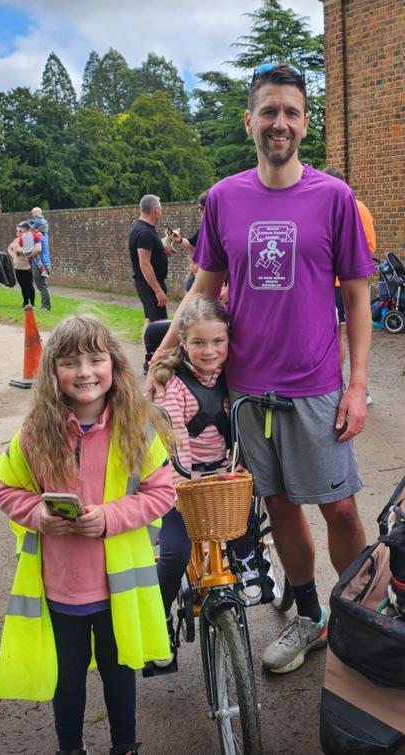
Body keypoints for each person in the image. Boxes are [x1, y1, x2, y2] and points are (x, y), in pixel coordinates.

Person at [147, 62, 375, 676]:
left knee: (343, 509)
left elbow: (357, 297)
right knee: (277, 506)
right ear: (250, 121)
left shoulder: (334, 198)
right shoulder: (224, 198)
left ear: (305, 124)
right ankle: (309, 616)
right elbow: (203, 289)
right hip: (248, 389)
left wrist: (357, 386)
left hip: (318, 387)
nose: (280, 123)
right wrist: (164, 357)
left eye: (291, 112)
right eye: (268, 111)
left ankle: (357, 614)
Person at [0, 315, 176, 755]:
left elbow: (163, 492)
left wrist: (111, 517)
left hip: (118, 591)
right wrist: (37, 513)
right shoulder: (35, 433)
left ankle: (125, 746)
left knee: (119, 673)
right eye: (71, 362)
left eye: (96, 359)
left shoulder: (139, 429)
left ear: (113, 365)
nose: (85, 372)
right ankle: (69, 747)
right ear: (53, 372)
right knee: (67, 679)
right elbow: (7, 489)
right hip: (61, 588)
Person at [145, 296, 261, 675]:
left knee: (247, 522)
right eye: (198, 343)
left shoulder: (235, 376)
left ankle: (250, 564)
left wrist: (237, 467)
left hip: (223, 476)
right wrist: (186, 483)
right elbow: (175, 438)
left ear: (229, 341)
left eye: (218, 342)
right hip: (181, 480)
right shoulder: (173, 386)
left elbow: (245, 428)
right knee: (175, 553)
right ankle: (157, 623)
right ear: (182, 342)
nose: (209, 351)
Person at [323, 166, 377, 406]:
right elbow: (370, 245)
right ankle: (360, 387)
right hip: (354, 279)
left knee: (337, 335)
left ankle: (343, 385)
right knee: (347, 331)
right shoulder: (362, 207)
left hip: (335, 283)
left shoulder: (339, 206)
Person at [128, 195, 168, 373]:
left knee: (150, 320)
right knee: (157, 323)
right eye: (160, 210)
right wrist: (158, 290)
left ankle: (153, 358)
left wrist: (162, 250)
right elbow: (144, 264)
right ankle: (152, 360)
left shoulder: (142, 229)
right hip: (150, 285)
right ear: (156, 210)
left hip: (148, 283)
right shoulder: (144, 232)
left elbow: (150, 255)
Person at [7, 224, 35, 308]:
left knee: (29, 285)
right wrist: (13, 256)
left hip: (26, 267)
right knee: (22, 285)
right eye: (17, 231)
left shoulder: (27, 241)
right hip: (17, 267)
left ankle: (32, 303)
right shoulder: (16, 240)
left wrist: (20, 250)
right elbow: (9, 248)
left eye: (20, 231)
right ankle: (25, 302)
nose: (18, 233)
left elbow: (28, 252)